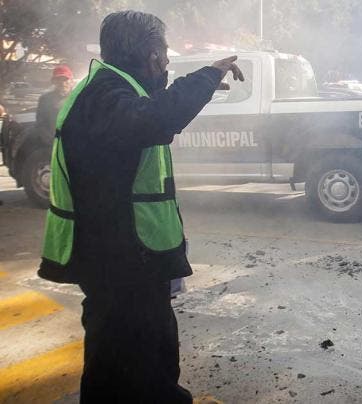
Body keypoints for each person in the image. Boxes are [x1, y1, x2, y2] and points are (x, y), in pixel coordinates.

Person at [37, 11, 244, 402]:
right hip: (119, 262)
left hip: (121, 257)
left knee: (120, 359)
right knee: (140, 360)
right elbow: (154, 118)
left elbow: (149, 116)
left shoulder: (107, 91)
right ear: (152, 55)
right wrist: (205, 77)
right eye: (164, 53)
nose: (166, 63)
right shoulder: (105, 96)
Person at [36, 65, 74, 140]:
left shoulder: (80, 98)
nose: (62, 83)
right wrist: (51, 140)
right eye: (58, 79)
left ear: (72, 81)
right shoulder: (45, 99)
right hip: (54, 143)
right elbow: (40, 124)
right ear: (53, 82)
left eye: (65, 79)